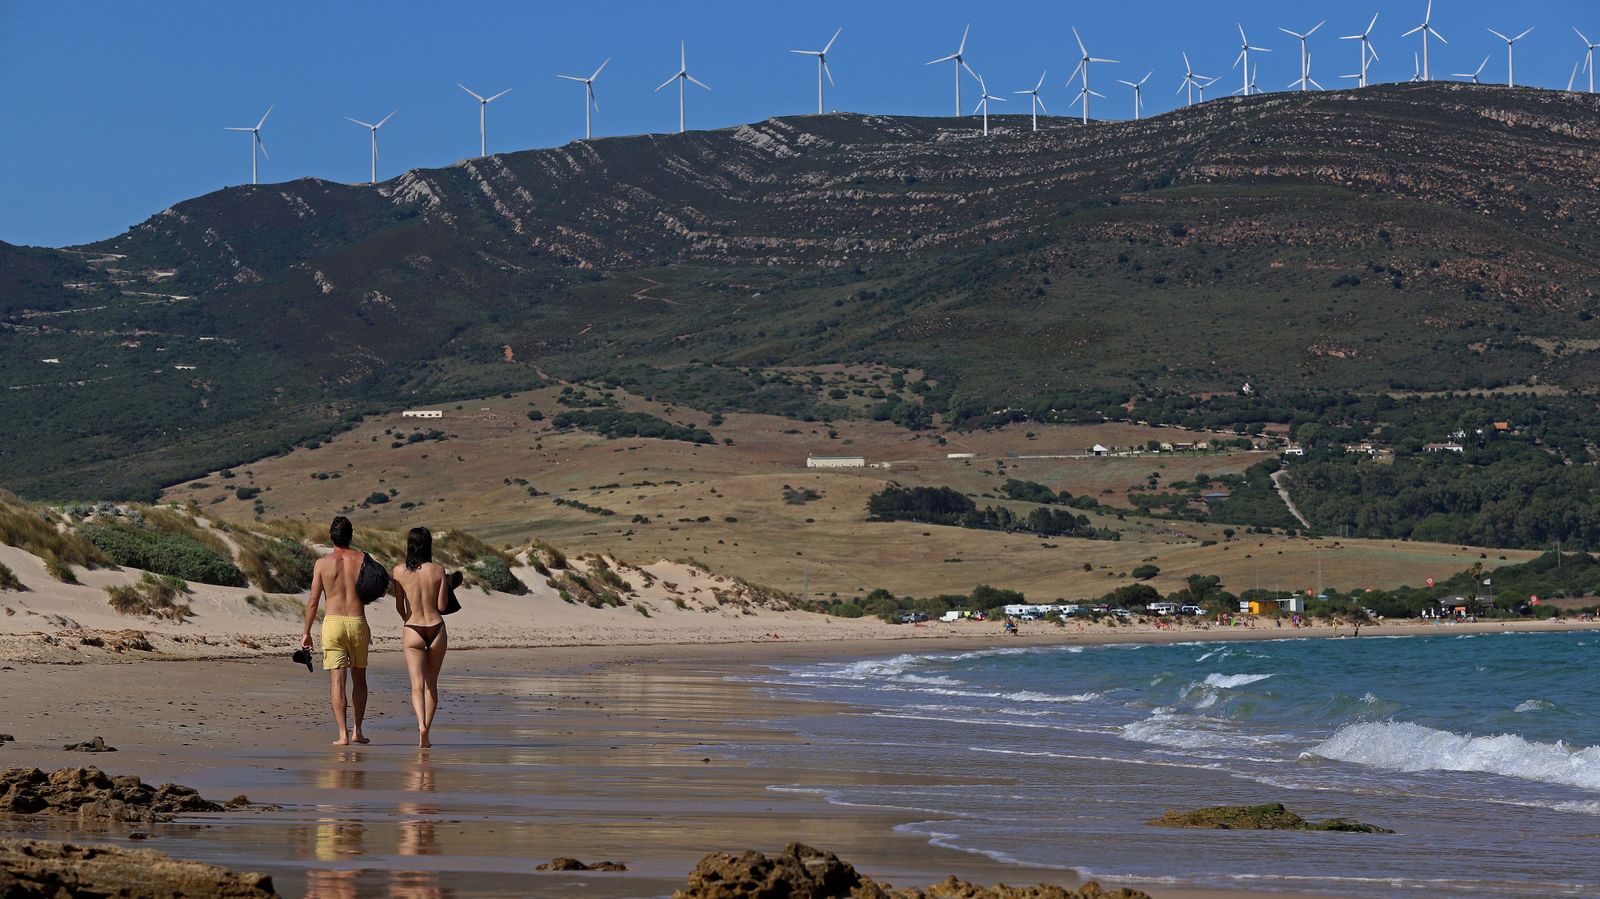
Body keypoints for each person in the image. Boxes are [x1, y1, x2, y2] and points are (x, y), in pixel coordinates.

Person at [301, 516, 371, 746]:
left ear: (330, 536)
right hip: (358, 621)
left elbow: (313, 601)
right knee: (359, 679)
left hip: (333, 623)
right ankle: (357, 731)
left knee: (337, 680)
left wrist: (307, 631)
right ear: (351, 536)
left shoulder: (322, 564)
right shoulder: (362, 560)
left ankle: (342, 734)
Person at [391, 527, 449, 748]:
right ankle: (427, 731)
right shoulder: (438, 570)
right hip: (436, 627)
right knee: (431, 685)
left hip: (413, 627)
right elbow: (442, 606)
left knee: (416, 685)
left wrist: (407, 619)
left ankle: (420, 725)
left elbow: (399, 605)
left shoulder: (398, 571)